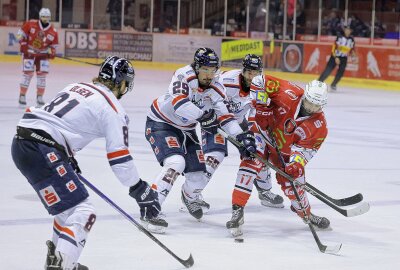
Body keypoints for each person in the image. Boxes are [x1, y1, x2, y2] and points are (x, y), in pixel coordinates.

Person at [11, 56, 166, 270]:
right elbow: (119, 157)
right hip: (44, 149)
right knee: (84, 212)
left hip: (21, 144)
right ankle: (62, 266)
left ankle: (61, 261)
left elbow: (58, 121)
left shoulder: (76, 86)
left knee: (67, 210)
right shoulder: (112, 109)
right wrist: (139, 188)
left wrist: (65, 156)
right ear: (122, 83)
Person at [145, 47, 256, 228]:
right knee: (176, 162)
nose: (209, 75)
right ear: (197, 67)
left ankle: (189, 197)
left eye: (213, 70)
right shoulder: (183, 75)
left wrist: (241, 137)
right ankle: (150, 207)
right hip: (161, 123)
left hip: (187, 130)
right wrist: (204, 116)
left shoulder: (217, 88)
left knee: (198, 178)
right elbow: (179, 103)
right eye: (205, 69)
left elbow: (225, 117)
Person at [226, 78, 330, 237]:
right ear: (305, 95)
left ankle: (306, 214)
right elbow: (258, 81)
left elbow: (305, 151)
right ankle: (237, 210)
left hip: (282, 151)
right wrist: (261, 107)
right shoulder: (288, 91)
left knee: (293, 180)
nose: (311, 108)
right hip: (262, 132)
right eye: (309, 102)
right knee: (250, 163)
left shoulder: (320, 127)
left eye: (317, 105)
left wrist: (295, 164)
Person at [197, 54, 284, 212]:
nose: (252, 77)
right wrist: (205, 114)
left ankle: (265, 191)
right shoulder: (226, 80)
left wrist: (252, 136)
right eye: (249, 72)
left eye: (256, 73)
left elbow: (255, 114)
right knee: (214, 158)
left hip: (237, 122)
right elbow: (205, 92)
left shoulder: (260, 88)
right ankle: (193, 195)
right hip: (216, 121)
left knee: (257, 152)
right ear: (242, 71)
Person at [16, 7, 59, 107]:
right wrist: (23, 44)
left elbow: (54, 46)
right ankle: (22, 95)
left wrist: (51, 52)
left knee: (42, 77)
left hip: (42, 56)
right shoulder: (30, 24)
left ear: (50, 17)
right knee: (27, 74)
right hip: (29, 53)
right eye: (43, 16)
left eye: (47, 17)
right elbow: (19, 35)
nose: (45, 19)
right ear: (40, 16)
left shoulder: (53, 31)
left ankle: (39, 97)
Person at [318, 25, 355, 91]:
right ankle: (319, 83)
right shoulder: (339, 37)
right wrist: (336, 57)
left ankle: (333, 84)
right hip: (335, 56)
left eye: (349, 30)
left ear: (351, 31)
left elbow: (351, 49)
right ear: (344, 30)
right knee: (328, 70)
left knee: (341, 72)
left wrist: (353, 56)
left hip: (344, 58)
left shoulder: (351, 39)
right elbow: (334, 48)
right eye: (346, 30)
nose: (347, 31)